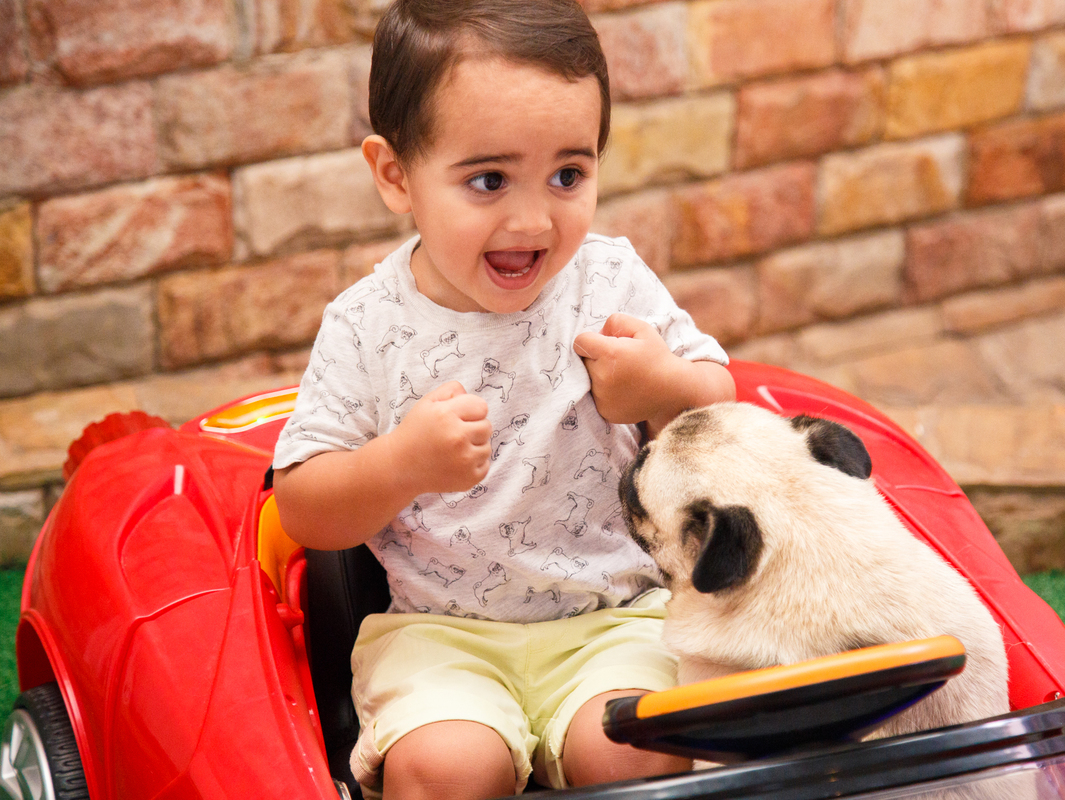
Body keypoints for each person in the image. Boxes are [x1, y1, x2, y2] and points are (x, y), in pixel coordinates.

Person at [272, 1, 736, 797]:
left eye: (568, 175)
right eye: (488, 180)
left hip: (613, 618)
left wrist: (662, 387)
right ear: (395, 175)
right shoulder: (366, 325)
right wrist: (399, 465)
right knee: (447, 769)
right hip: (439, 637)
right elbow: (303, 507)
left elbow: (720, 410)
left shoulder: (608, 279)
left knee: (636, 750)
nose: (533, 219)